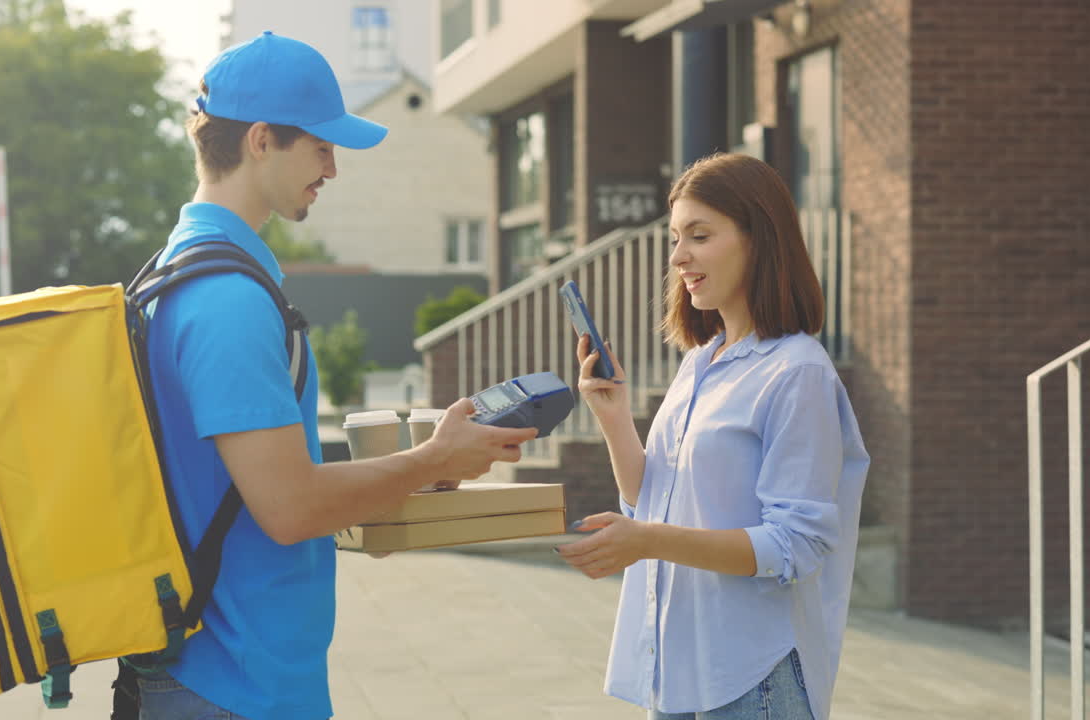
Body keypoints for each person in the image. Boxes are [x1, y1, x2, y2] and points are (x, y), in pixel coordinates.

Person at [139, 32, 538, 720]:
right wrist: (432, 457)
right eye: (321, 146)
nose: (332, 168)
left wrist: (410, 476)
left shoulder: (181, 273)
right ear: (261, 140)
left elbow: (243, 487)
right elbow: (290, 508)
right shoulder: (227, 301)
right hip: (235, 684)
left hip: (221, 673)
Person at [555, 152, 869, 720]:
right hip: (678, 667)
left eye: (699, 236)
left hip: (754, 676)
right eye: (676, 238)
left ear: (759, 239)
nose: (678, 257)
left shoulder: (798, 371)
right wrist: (613, 416)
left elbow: (794, 544)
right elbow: (653, 498)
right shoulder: (700, 361)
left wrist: (648, 540)